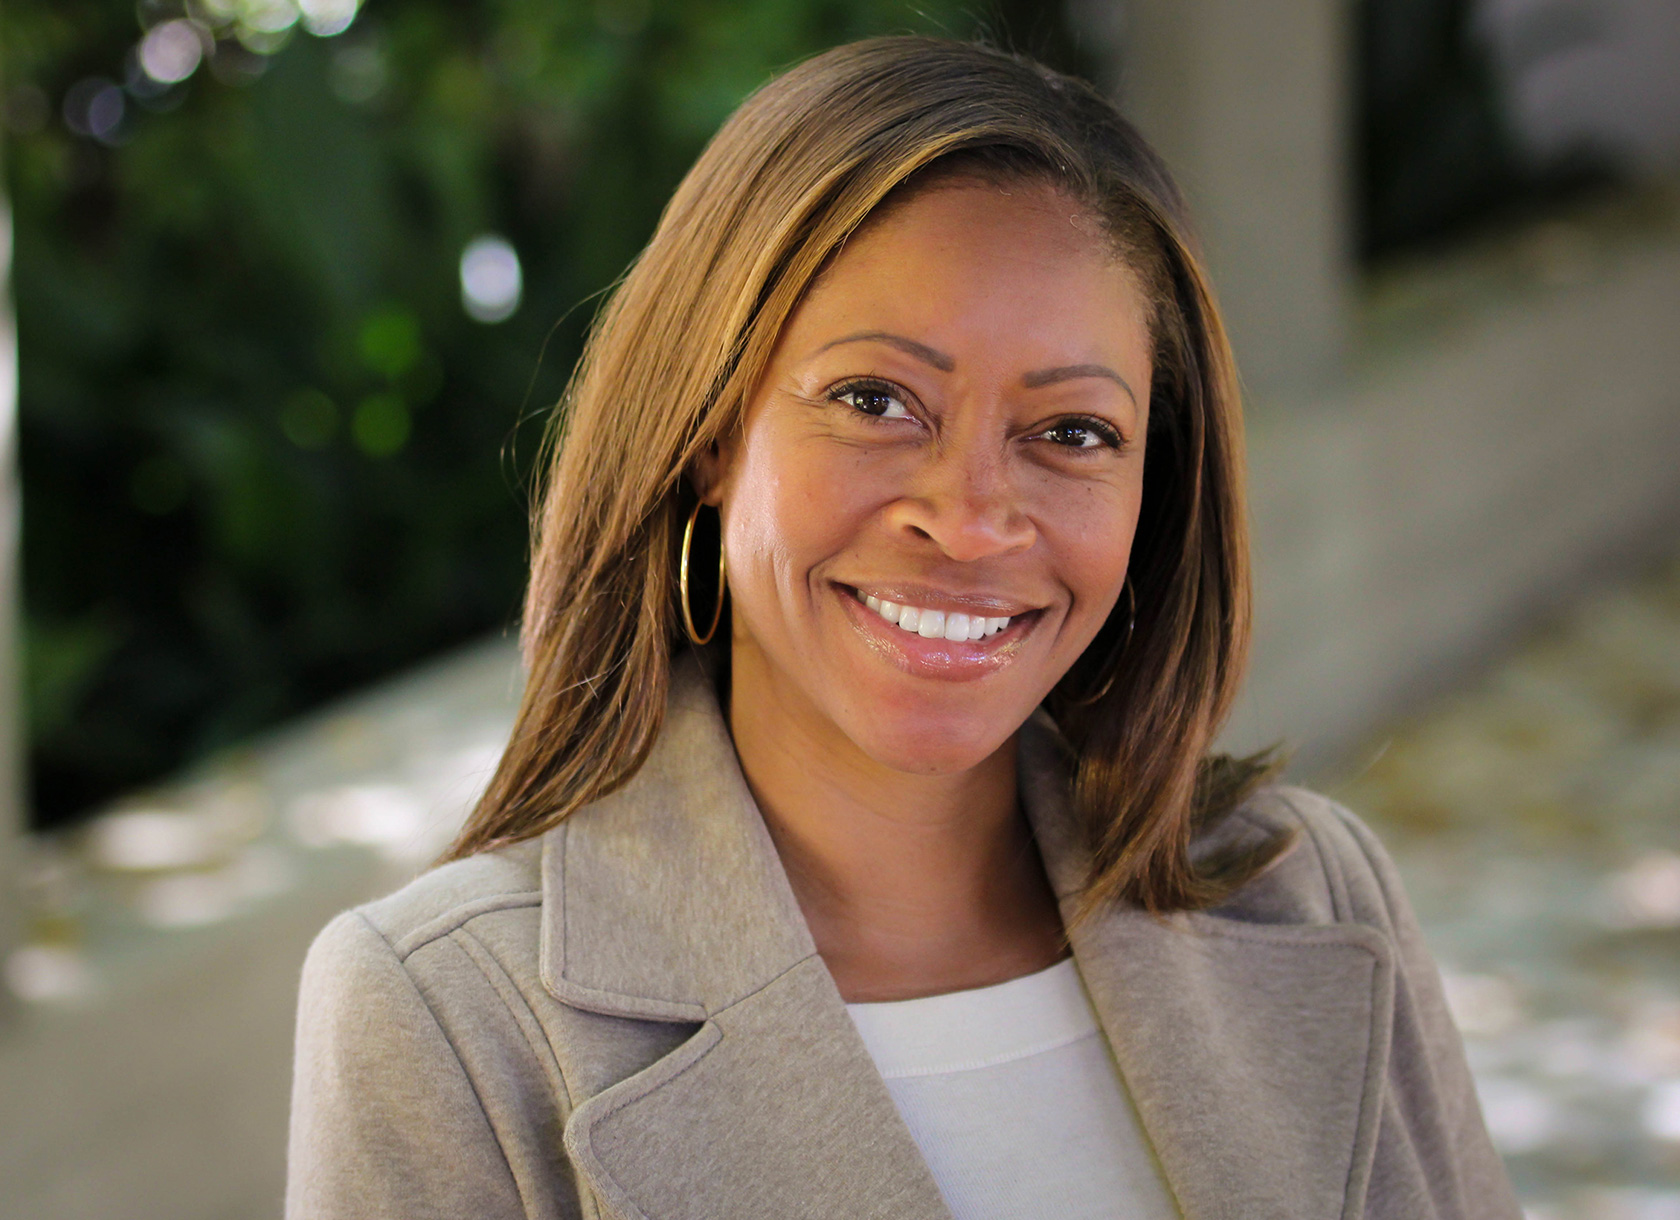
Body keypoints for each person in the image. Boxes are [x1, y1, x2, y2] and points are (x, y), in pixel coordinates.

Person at [285, 36, 1520, 1220]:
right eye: (877, 400)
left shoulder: (1310, 889)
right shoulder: (444, 1014)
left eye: (1073, 432)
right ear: (710, 434)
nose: (973, 519)